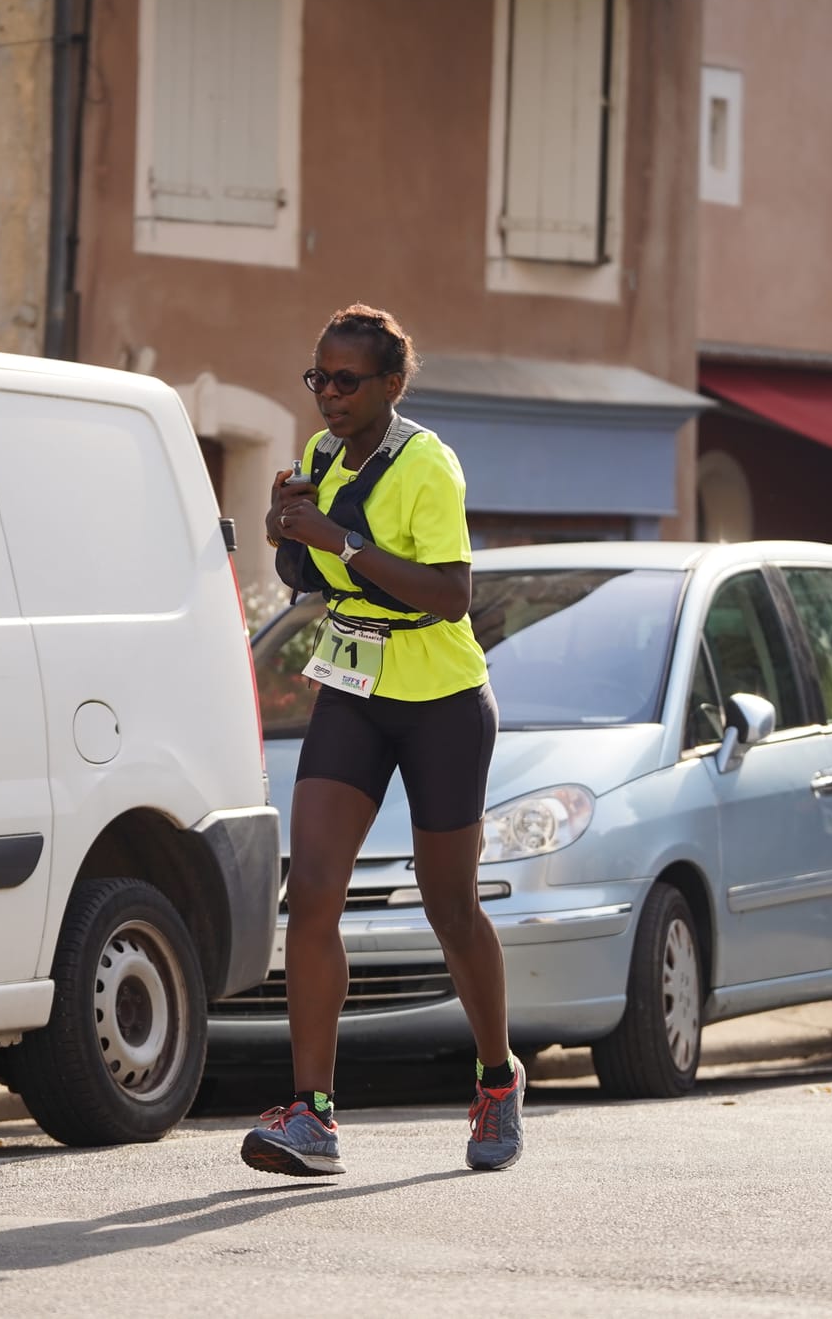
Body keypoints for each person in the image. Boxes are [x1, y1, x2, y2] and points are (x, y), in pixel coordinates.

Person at [241, 304, 520, 1176]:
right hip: (353, 689)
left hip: (440, 698)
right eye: (317, 377)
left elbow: (449, 595)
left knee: (450, 906)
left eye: (346, 380)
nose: (327, 394)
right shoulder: (321, 458)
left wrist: (341, 540)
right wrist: (283, 530)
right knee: (314, 890)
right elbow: (306, 573)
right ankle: (314, 1115)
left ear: (392, 384)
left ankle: (496, 1079)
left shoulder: (428, 462)